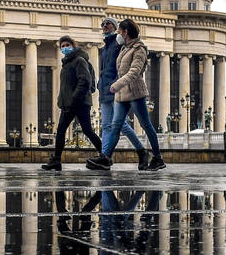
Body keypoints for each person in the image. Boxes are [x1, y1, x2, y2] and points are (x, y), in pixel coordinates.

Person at [87, 19, 164, 171]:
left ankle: (158, 158)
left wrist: (116, 84)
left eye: (119, 31)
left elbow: (134, 71)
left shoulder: (139, 49)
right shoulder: (124, 48)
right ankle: (106, 157)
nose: (118, 34)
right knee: (115, 125)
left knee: (146, 125)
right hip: (121, 93)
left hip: (134, 92)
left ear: (125, 32)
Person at [41, 35, 101, 170]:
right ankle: (56, 160)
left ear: (73, 46)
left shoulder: (79, 60)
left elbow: (85, 80)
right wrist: (61, 100)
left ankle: (105, 155)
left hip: (79, 103)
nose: (64, 48)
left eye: (67, 45)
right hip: (69, 103)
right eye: (62, 46)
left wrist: (74, 98)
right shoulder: (66, 63)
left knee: (87, 131)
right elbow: (65, 86)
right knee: (62, 130)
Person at [96, 18, 149, 170]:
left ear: (116, 28)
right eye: (103, 24)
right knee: (107, 125)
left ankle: (138, 151)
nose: (105, 26)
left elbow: (124, 65)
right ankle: (106, 157)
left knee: (119, 125)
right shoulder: (105, 46)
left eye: (109, 24)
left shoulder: (119, 44)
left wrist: (119, 84)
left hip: (116, 88)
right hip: (105, 89)